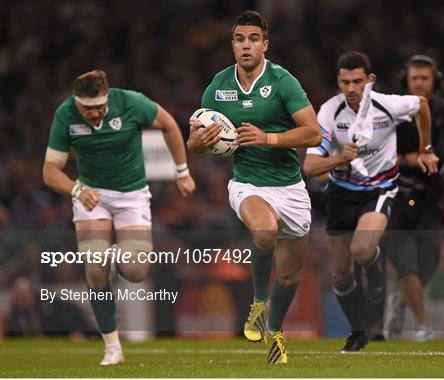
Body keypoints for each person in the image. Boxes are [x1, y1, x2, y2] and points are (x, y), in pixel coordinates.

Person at [187, 10, 320, 364]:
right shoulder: (219, 86)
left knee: (290, 277)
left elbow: (314, 132)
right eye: (239, 40)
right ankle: (259, 302)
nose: (246, 46)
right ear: (232, 45)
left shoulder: (282, 81)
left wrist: (268, 138)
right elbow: (193, 142)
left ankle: (275, 332)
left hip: (290, 188)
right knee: (264, 232)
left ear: (264, 45)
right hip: (248, 184)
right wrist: (203, 141)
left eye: (253, 40)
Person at [43, 70, 195, 365]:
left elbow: (169, 125)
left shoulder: (130, 103)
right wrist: (76, 190)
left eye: (99, 106)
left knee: (137, 272)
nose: (95, 113)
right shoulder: (65, 115)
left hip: (132, 195)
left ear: (107, 97)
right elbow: (49, 171)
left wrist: (182, 171)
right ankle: (113, 348)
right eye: (87, 109)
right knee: (94, 268)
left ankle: (114, 260)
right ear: (77, 103)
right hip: (91, 195)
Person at [303, 51, 439, 352]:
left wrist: (426, 148)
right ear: (338, 82)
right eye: (345, 82)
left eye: (357, 81)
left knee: (362, 250)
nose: (351, 88)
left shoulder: (387, 105)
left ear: (370, 81)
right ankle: (358, 331)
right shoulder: (328, 112)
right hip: (340, 192)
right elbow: (310, 167)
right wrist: (340, 158)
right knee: (340, 275)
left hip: (379, 189)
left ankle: (375, 263)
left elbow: (422, 105)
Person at [385, 55, 444, 341]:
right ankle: (425, 325)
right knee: (406, 264)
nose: (419, 83)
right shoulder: (394, 111)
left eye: (424, 78)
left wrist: (405, 159)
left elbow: (442, 156)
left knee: (429, 263)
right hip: (395, 197)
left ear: (434, 81)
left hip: (430, 199)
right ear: (406, 80)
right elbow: (386, 156)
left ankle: (400, 303)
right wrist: (413, 159)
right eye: (414, 78)